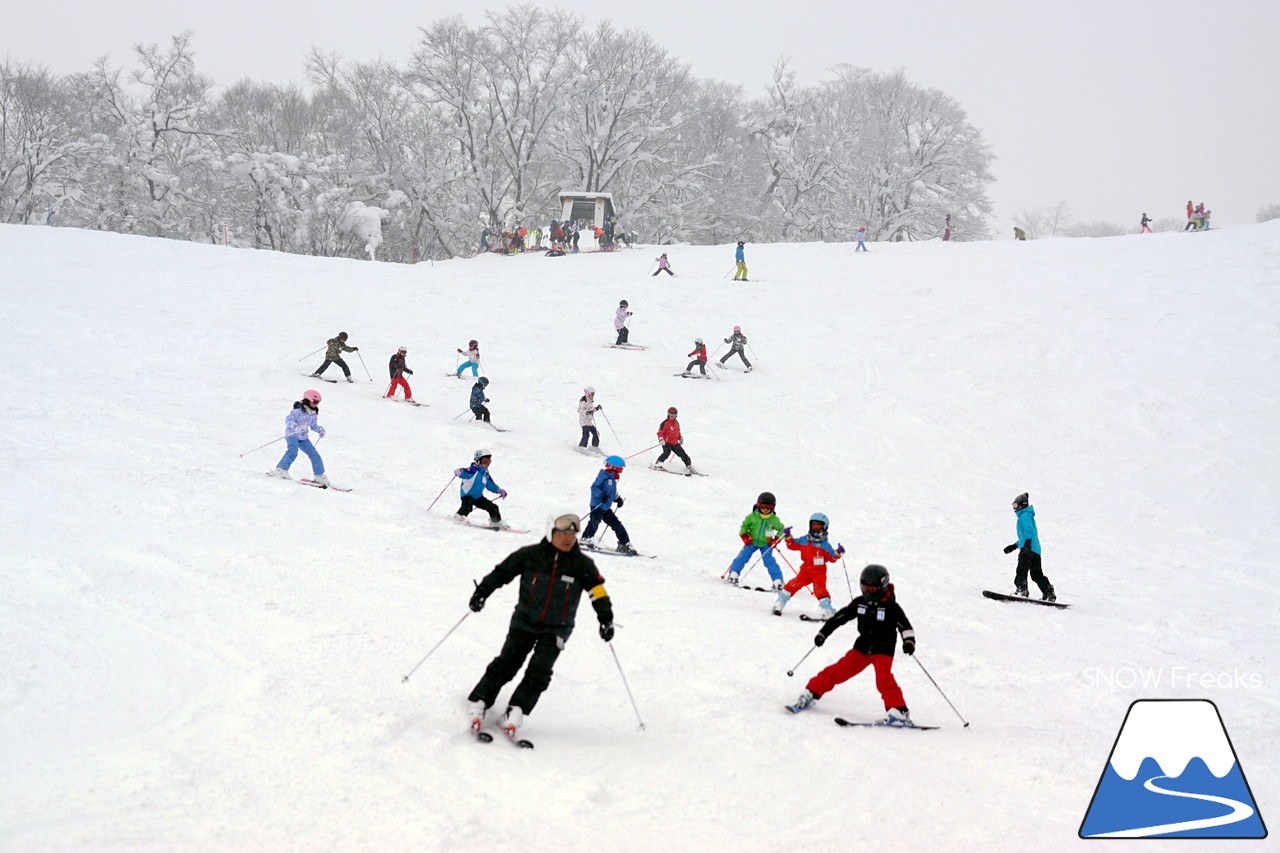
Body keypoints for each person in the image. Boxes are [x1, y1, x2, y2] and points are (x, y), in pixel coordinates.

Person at [465, 510, 615, 740]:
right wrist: (481, 593)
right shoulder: (530, 556)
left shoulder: (582, 564)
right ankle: (480, 701)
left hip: (557, 628)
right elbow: (502, 573)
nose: (568, 539)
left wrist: (606, 619)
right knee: (507, 663)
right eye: (562, 533)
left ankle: (516, 710)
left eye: (572, 535)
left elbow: (597, 591)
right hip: (525, 621)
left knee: (540, 672)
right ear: (550, 532)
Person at [788, 564, 916, 725]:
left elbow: (905, 626)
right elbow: (840, 617)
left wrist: (909, 642)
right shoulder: (860, 603)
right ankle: (811, 692)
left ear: (882, 587)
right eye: (865, 587)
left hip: (883, 650)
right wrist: (823, 633)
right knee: (836, 671)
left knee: (884, 680)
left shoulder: (891, 607)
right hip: (862, 648)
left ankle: (899, 712)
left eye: (872, 588)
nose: (868, 591)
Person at [773, 513, 843, 618]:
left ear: (824, 527)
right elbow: (793, 545)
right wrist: (788, 537)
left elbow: (831, 558)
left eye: (819, 526)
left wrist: (838, 553)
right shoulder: (804, 540)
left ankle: (827, 610)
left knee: (820, 589)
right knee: (792, 584)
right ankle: (780, 603)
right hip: (805, 570)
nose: (815, 528)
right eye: (813, 525)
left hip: (819, 571)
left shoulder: (824, 545)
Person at [268, 389, 329, 486]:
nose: (316, 404)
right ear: (308, 400)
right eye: (315, 402)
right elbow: (288, 421)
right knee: (293, 451)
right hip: (292, 435)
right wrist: (296, 427)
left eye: (318, 402)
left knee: (314, 454)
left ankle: (319, 476)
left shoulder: (313, 413)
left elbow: (313, 426)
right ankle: (280, 470)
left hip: (303, 437)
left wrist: (320, 430)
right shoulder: (297, 411)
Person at [725, 491, 785, 588]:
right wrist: (744, 537)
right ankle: (733, 574)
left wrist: (776, 540)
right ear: (758, 505)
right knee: (742, 557)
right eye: (763, 506)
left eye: (768, 507)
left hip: (766, 544)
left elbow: (782, 530)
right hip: (751, 542)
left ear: (773, 507)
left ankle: (777, 581)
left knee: (769, 561)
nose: (765, 510)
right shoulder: (752, 517)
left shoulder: (774, 519)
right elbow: (744, 527)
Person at [1004, 492, 1055, 601]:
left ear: (1022, 505)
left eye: (1015, 506)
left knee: (1021, 569)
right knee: (1036, 573)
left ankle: (1022, 589)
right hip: (1035, 549)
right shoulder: (1027, 515)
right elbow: (1026, 536)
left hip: (1028, 549)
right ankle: (1048, 592)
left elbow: (1029, 531)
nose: (1014, 509)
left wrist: (1027, 544)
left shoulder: (1024, 515)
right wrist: (1014, 546)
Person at [580, 457, 636, 554]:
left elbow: (612, 492)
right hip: (598, 505)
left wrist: (618, 499)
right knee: (595, 521)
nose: (622, 470)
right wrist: (601, 495)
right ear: (615, 467)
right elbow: (594, 487)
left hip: (605, 507)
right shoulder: (604, 476)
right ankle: (585, 539)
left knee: (616, 524)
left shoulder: (613, 479)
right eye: (621, 468)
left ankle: (624, 543)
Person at [452, 448, 508, 528]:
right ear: (478, 460)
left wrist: (499, 490)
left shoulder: (485, 474)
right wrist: (460, 471)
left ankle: (496, 522)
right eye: (484, 461)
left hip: (478, 497)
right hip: (467, 495)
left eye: (489, 461)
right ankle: (458, 516)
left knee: (493, 507)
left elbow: (490, 484)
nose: (487, 463)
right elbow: (465, 472)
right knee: (468, 506)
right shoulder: (473, 470)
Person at [653, 406, 696, 474]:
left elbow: (677, 432)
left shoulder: (676, 423)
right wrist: (661, 439)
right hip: (666, 442)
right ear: (668, 414)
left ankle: (689, 466)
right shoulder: (665, 423)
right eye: (671, 415)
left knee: (683, 454)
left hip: (675, 443)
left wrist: (680, 438)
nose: (672, 417)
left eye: (674, 415)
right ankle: (658, 464)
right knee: (666, 453)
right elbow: (660, 432)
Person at [578, 386, 602, 453]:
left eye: (593, 394)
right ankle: (582, 447)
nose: (593, 396)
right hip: (584, 421)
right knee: (586, 434)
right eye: (592, 394)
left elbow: (591, 409)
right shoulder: (583, 402)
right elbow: (582, 411)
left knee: (595, 432)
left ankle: (594, 446)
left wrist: (597, 408)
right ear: (587, 394)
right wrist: (588, 412)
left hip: (589, 422)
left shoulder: (589, 401)